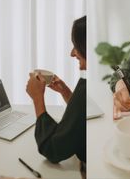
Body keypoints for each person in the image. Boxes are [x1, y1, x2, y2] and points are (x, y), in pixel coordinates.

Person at [26, 16, 86, 179]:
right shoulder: (88, 83)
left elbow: (52, 150)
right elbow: (83, 116)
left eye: (76, 46)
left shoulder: (86, 87)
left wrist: (38, 98)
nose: (72, 53)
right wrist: (66, 93)